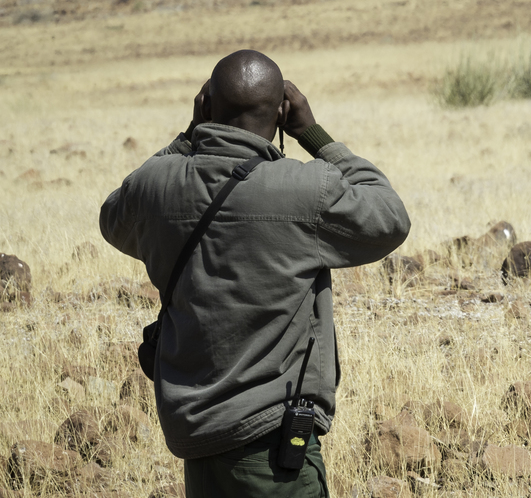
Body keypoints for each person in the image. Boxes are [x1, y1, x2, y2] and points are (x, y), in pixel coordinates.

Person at [100, 49, 411, 497]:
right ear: (282, 113)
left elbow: (114, 212)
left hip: (196, 443)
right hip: (273, 449)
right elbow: (390, 217)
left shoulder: (157, 188)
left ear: (205, 107)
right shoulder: (304, 189)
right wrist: (314, 135)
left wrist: (189, 136)